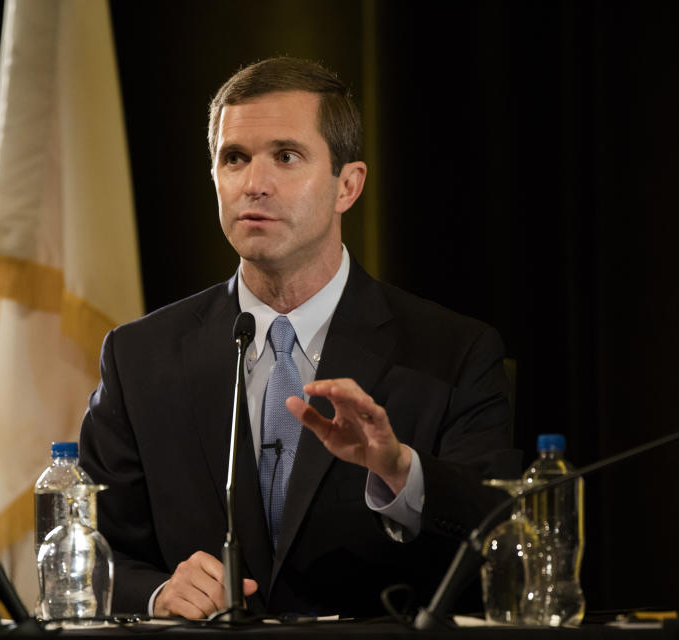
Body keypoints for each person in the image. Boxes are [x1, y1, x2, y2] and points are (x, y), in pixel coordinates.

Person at [79, 56, 521, 619]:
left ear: (348, 185)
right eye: (234, 158)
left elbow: (503, 537)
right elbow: (85, 551)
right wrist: (159, 592)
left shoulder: (452, 352)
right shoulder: (138, 356)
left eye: (286, 157)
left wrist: (400, 471)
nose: (254, 184)